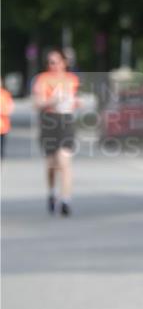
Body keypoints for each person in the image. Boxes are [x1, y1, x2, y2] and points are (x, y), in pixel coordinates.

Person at [32, 49, 80, 215]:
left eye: (57, 61)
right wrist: (53, 100)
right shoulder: (42, 79)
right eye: (51, 62)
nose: (54, 65)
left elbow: (75, 100)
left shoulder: (72, 80)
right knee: (52, 164)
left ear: (64, 63)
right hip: (49, 121)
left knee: (64, 160)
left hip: (65, 121)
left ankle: (65, 199)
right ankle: (52, 192)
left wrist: (74, 103)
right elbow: (37, 104)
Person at [0, 82, 14, 158]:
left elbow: (10, 107)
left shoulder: (5, 94)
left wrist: (4, 111)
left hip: (3, 125)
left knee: (1, 145)